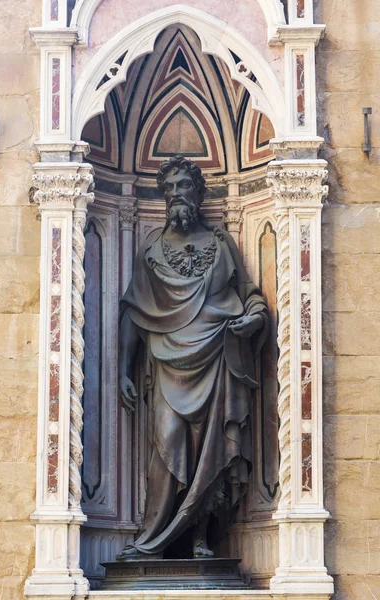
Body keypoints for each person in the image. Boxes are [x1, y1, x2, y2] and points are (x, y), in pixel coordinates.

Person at [117, 155, 268, 560]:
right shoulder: (151, 249)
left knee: (211, 449)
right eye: (168, 188)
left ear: (198, 193)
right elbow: (134, 309)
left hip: (217, 356)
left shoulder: (221, 245)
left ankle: (201, 538)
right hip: (167, 364)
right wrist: (121, 369)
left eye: (183, 186)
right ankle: (154, 537)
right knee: (167, 445)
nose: (174, 194)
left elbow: (249, 294)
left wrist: (254, 317)